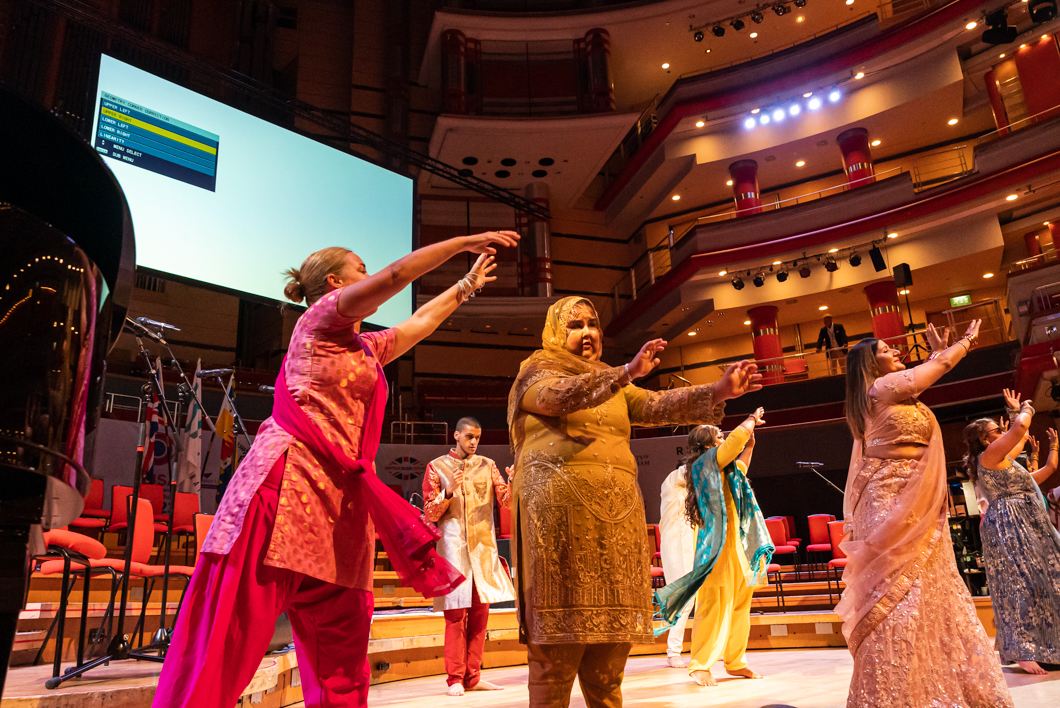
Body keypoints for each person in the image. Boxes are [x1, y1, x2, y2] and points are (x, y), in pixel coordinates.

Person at [152, 230, 519, 708]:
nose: (371, 276)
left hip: (343, 508)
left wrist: (466, 284)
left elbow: (419, 323)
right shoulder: (316, 322)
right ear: (334, 282)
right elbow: (396, 276)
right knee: (228, 636)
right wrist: (460, 244)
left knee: (341, 660)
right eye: (360, 268)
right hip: (286, 486)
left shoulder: (364, 348)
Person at [507, 296, 762, 707]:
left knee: (610, 656)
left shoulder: (615, 383)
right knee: (557, 653)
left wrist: (717, 391)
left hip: (616, 521)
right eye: (576, 326)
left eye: (593, 324)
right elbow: (556, 398)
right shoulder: (536, 371)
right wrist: (625, 372)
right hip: (559, 522)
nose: (588, 332)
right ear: (556, 332)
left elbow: (656, 405)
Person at [838, 319, 1013, 707]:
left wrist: (936, 354)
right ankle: (887, 694)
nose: (895, 351)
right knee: (900, 594)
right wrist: (966, 343)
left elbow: (919, 378)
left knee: (934, 589)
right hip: (888, 500)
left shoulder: (894, 393)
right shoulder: (879, 388)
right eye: (886, 350)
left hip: (916, 499)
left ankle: (938, 689)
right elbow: (925, 377)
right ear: (869, 364)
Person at [656, 411, 773, 687]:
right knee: (713, 604)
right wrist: (749, 421)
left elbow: (741, 468)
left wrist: (751, 447)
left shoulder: (723, 469)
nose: (723, 438)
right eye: (718, 436)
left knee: (740, 605)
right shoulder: (705, 465)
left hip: (737, 545)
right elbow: (734, 443)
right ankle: (700, 665)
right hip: (715, 546)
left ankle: (735, 662)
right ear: (708, 445)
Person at [964, 398, 1060, 675]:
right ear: (984, 439)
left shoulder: (1004, 460)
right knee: (1020, 583)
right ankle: (1021, 650)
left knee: (1045, 580)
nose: (1000, 432)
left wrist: (1046, 444)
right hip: (1009, 524)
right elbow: (1019, 429)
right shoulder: (988, 457)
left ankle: (1047, 647)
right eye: (995, 431)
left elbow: (1019, 440)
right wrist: (1025, 409)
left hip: (1028, 521)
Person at [422, 417, 516, 696]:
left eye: (477, 437)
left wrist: (512, 481)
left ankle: (473, 676)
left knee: (480, 615)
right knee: (455, 616)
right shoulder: (436, 467)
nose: (474, 442)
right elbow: (429, 513)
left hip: (483, 549)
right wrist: (448, 491)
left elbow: (507, 502)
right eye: (469, 437)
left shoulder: (488, 466)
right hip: (453, 552)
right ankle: (454, 678)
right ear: (456, 436)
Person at [658, 456, 697, 669]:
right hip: (675, 545)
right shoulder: (672, 481)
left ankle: (705, 648)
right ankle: (673, 651)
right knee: (683, 597)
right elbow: (693, 468)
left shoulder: (691, 494)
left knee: (702, 597)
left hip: (693, 544)